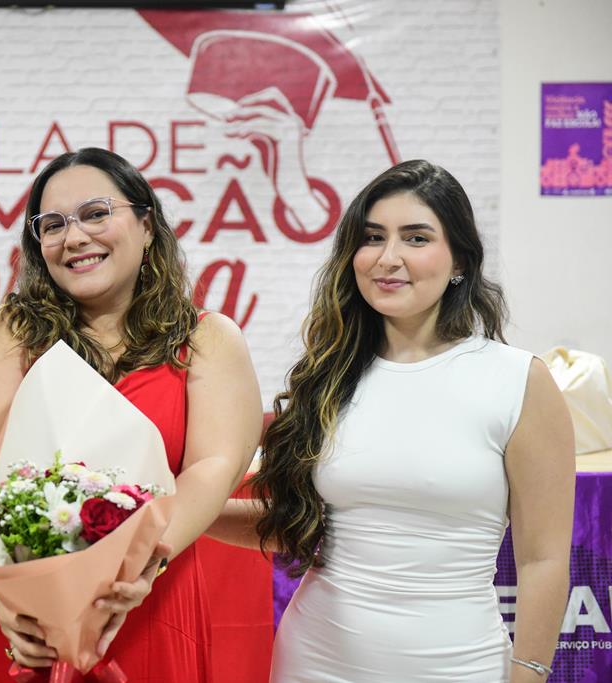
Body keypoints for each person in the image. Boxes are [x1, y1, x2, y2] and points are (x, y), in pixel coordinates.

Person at [209, 159, 574, 682]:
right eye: (373, 237)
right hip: (315, 661)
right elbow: (289, 526)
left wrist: (530, 672)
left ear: (459, 260)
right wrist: (173, 512)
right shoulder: (327, 376)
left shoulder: (519, 381)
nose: (388, 258)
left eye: (416, 238)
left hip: (459, 667)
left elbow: (543, 560)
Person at [0, 147, 263, 682]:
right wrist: (4, 588)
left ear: (146, 225)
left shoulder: (207, 339)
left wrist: (135, 567)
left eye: (96, 214)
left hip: (144, 604)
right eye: (53, 225)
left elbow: (212, 468)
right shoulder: (7, 331)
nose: (74, 237)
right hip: (15, 614)